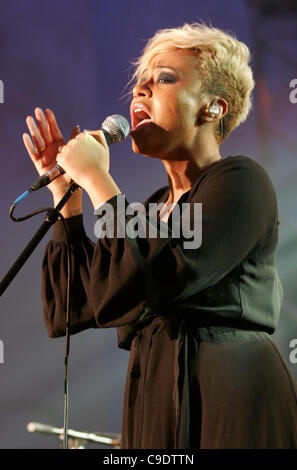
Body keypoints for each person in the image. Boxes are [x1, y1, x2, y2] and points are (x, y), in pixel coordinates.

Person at [23, 23, 297, 449]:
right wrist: (69, 201)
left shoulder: (242, 182)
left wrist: (98, 178)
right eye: (139, 84)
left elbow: (162, 274)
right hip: (154, 402)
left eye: (163, 78)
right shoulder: (151, 210)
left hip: (229, 397)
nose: (140, 92)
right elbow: (74, 306)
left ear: (213, 108)